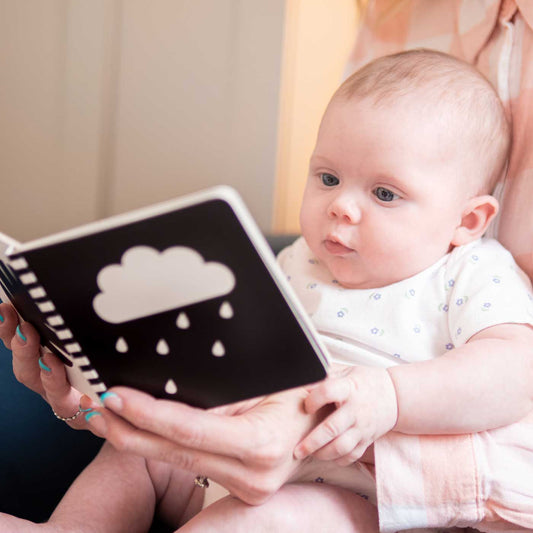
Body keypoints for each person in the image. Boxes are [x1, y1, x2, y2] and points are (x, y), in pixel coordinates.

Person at [1, 49, 533, 533]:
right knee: (131, 460)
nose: (341, 206)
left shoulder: (470, 271)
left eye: (385, 193)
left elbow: (515, 371)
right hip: (224, 459)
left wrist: (390, 396)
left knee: (277, 518)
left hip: (345, 495)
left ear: (468, 220)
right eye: (328, 178)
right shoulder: (298, 258)